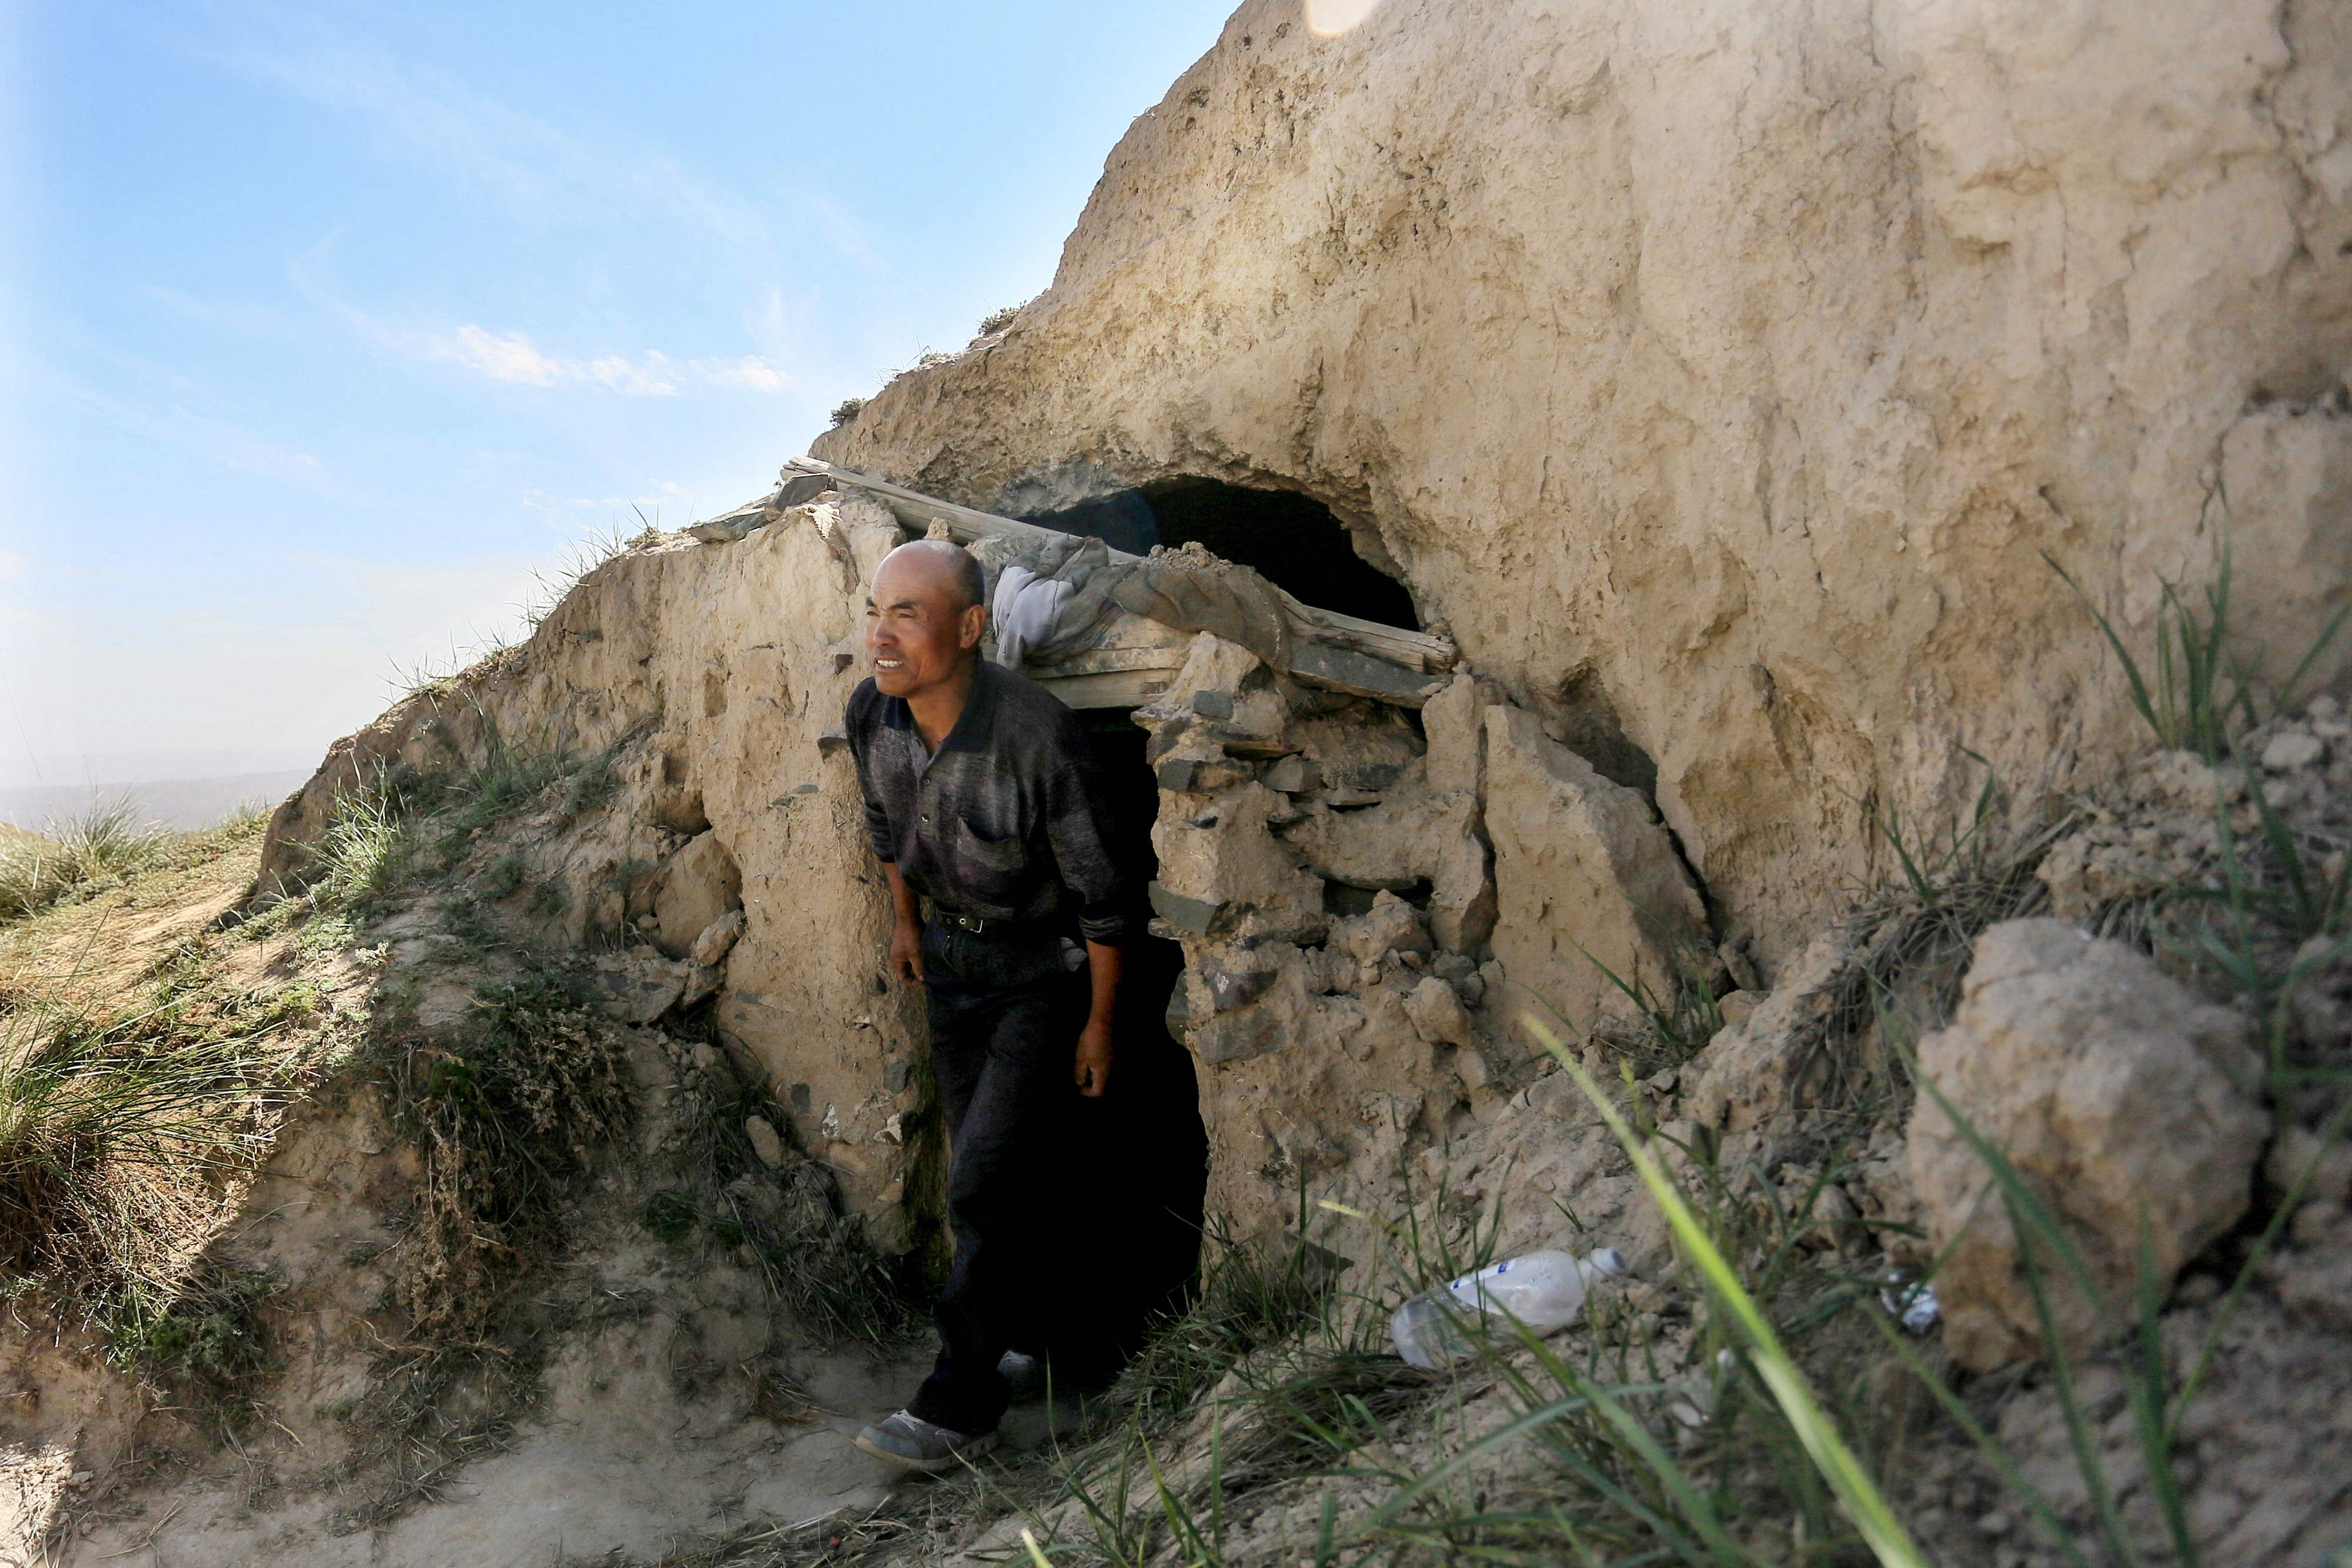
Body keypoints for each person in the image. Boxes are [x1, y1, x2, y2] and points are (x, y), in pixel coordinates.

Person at [843, 538, 1132, 1472]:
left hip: (1039, 978)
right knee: (992, 1170)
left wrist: (1098, 1021)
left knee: (982, 1182)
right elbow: (889, 834)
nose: (882, 637)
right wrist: (903, 925)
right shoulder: (874, 716)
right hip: (951, 966)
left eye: (908, 614)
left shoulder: (1035, 734)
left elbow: (1104, 896)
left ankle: (958, 1406)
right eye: (877, 611)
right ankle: (1055, 1350)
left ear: (971, 628)